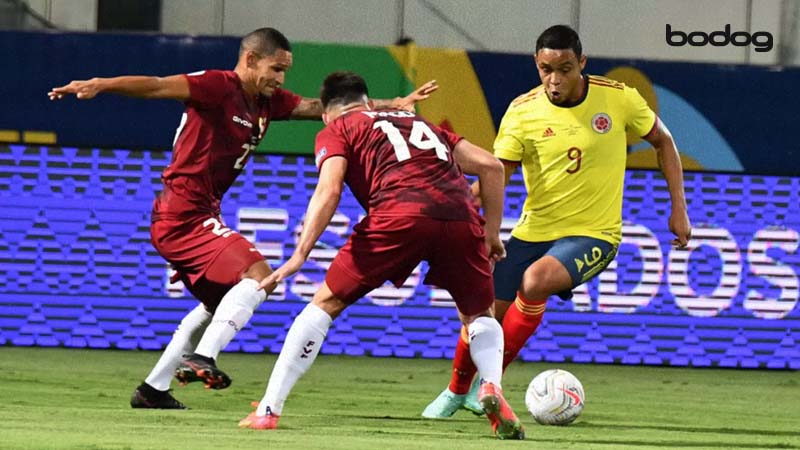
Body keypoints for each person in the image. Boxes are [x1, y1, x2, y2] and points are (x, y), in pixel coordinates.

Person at [48, 27, 437, 410]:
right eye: (276, 69)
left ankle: (153, 389)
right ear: (250, 59)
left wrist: (391, 103)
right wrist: (101, 83)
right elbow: (155, 85)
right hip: (181, 213)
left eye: (285, 71)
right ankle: (202, 357)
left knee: (219, 305)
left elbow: (321, 108)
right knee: (258, 274)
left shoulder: (267, 102)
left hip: (198, 214)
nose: (281, 79)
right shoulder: (218, 86)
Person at [422, 24, 693, 418]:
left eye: (565, 68)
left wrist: (678, 208)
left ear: (581, 63)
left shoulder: (618, 99)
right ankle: (455, 391)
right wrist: (460, 202)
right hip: (533, 232)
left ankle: (489, 384)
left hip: (595, 234)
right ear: (537, 64)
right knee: (483, 314)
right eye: (546, 69)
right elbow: (499, 173)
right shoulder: (522, 111)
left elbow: (663, 141)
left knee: (535, 282)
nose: (555, 79)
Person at [236, 71, 524, 440]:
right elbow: (491, 166)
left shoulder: (337, 130)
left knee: (324, 304)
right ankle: (491, 387)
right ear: (369, 102)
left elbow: (329, 190)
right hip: (458, 215)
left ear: (326, 113)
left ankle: (268, 410)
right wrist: (491, 233)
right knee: (479, 316)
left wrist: (300, 254)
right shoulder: (421, 123)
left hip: (397, 216)